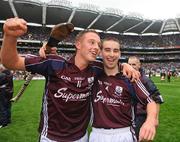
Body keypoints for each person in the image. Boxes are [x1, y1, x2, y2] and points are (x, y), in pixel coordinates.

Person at [1, 17, 139, 142]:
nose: (96, 48)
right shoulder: (54, 63)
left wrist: (126, 65)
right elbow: (11, 62)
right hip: (51, 137)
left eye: (98, 45)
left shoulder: (96, 68)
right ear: (78, 44)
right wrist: (10, 36)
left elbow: (112, 63)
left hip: (81, 137)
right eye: (91, 42)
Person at [89, 37, 157, 142]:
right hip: (97, 134)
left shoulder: (129, 77)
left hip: (123, 134)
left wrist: (150, 121)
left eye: (115, 51)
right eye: (107, 50)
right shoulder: (93, 73)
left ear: (120, 54)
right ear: (100, 52)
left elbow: (150, 101)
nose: (111, 54)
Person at [128, 56, 164, 140]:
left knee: (139, 138)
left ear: (139, 65)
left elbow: (157, 98)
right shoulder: (126, 78)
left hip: (141, 116)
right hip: (129, 116)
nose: (131, 66)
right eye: (129, 64)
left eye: (134, 64)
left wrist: (155, 119)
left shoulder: (145, 80)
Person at [0, 64, 13, 128]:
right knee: (8, 106)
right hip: (9, 92)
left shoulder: (2, 75)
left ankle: (4, 123)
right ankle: (8, 120)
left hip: (4, 92)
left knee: (3, 107)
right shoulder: (10, 74)